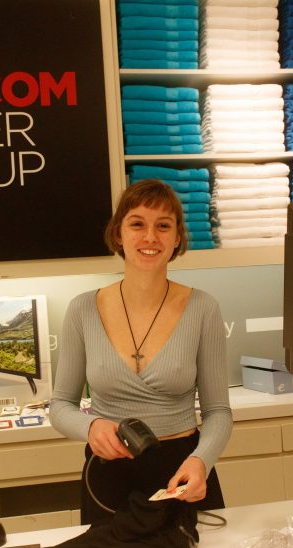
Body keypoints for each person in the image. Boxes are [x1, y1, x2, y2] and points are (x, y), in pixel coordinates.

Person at [49, 179, 232, 525]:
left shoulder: (203, 308)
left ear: (177, 238)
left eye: (163, 226)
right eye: (137, 224)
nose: (150, 237)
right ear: (118, 233)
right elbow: (60, 406)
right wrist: (90, 427)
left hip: (182, 472)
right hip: (108, 475)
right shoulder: (82, 309)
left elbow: (218, 411)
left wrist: (201, 461)